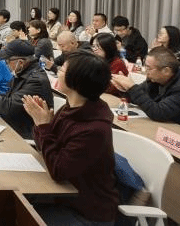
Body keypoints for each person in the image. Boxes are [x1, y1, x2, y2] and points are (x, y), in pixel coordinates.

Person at [24, 50, 118, 226]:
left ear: (77, 80)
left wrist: (43, 126)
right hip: (60, 197)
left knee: (12, 211)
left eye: (62, 70)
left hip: (85, 213)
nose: (57, 72)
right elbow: (45, 148)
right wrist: (40, 122)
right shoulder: (70, 108)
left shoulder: (94, 129)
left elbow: (58, 171)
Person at [0, 40, 53, 139]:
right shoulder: (21, 73)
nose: (6, 64)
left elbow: (9, 107)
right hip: (12, 123)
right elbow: (7, 98)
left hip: (23, 132)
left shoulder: (36, 81)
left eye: (7, 61)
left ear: (20, 62)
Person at [112, 46, 180, 124]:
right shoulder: (154, 80)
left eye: (149, 68)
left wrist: (132, 87)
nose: (146, 71)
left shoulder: (179, 87)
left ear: (166, 71)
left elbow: (159, 113)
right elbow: (139, 98)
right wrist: (125, 89)